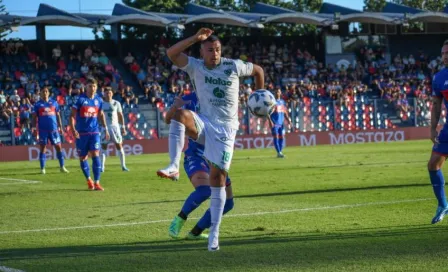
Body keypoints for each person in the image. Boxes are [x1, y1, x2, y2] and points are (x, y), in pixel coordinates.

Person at [158, 28, 264, 251]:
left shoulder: (233, 65)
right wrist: (195, 38)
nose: (214, 53)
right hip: (205, 124)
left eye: (217, 49)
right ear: (202, 51)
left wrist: (259, 95)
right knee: (181, 115)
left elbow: (258, 70)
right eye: (209, 50)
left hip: (226, 131)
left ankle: (213, 234)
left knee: (218, 181)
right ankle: (173, 166)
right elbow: (171, 53)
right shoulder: (195, 66)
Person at [165, 91, 234, 240]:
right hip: (197, 156)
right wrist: (174, 107)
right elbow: (167, 120)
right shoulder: (189, 98)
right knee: (204, 191)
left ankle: (195, 233)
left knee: (228, 203)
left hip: (216, 155)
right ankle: (179, 220)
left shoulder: (222, 96)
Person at [70, 78, 109, 191]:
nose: (92, 88)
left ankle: (97, 182)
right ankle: (89, 180)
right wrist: (73, 129)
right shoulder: (80, 100)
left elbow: (101, 114)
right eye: (90, 86)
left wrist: (105, 128)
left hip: (94, 132)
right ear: (86, 87)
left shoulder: (99, 100)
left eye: (94, 86)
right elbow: (72, 116)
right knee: (83, 157)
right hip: (82, 133)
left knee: (96, 154)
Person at [32, 87, 69, 174]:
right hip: (43, 130)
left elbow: (58, 115)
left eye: (46, 91)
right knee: (43, 148)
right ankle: (42, 168)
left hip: (54, 130)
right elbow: (34, 118)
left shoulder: (54, 103)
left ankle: (62, 166)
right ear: (40, 94)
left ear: (48, 93)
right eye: (43, 92)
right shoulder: (37, 104)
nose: (45, 93)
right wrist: (34, 128)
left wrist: (60, 126)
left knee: (58, 147)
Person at [99, 87, 129, 172]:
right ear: (104, 94)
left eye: (110, 93)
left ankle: (123, 166)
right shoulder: (101, 104)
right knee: (103, 146)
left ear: (112, 94)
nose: (108, 95)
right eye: (106, 93)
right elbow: (99, 116)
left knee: (119, 146)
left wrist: (123, 127)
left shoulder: (116, 103)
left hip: (115, 127)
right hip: (105, 128)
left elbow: (120, 115)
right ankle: (102, 167)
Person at [269, 88, 292, 158]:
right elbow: (268, 113)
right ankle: (279, 152)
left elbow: (285, 113)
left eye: (278, 92)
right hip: (275, 123)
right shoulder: (272, 102)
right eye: (276, 92)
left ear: (280, 93)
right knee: (276, 137)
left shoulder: (282, 102)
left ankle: (280, 152)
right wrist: (270, 122)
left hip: (281, 124)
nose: (277, 93)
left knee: (281, 138)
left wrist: (289, 121)